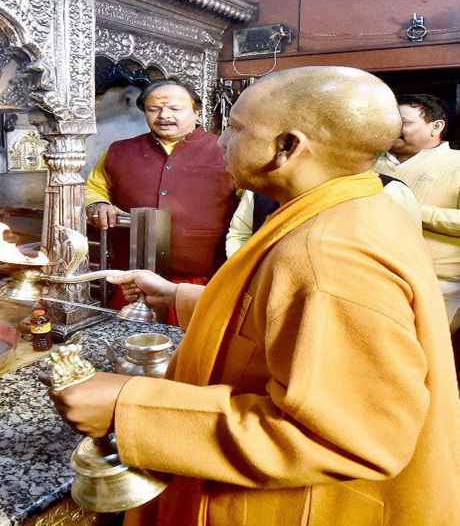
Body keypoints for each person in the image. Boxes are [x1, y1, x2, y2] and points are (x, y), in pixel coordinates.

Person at [52, 67, 460, 525]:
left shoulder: (330, 254)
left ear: (287, 147)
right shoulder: (352, 207)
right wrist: (177, 297)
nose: (222, 141)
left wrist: (127, 407)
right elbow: (286, 318)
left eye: (236, 129)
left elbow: (349, 436)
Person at [85, 80, 236, 309]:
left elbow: (252, 205)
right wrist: (98, 204)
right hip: (133, 283)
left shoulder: (226, 150)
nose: (164, 115)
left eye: (175, 109)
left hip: (203, 284)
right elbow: (94, 189)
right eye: (154, 109)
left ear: (196, 111)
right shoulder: (119, 151)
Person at [377, 94, 460, 331]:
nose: (393, 129)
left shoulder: (457, 163)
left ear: (436, 126)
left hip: (440, 284)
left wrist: (412, 209)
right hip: (379, 277)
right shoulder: (369, 163)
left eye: (404, 122)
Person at [225, 177, 422, 258]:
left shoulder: (387, 191)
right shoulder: (261, 186)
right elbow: (240, 233)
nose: (223, 140)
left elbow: (406, 258)